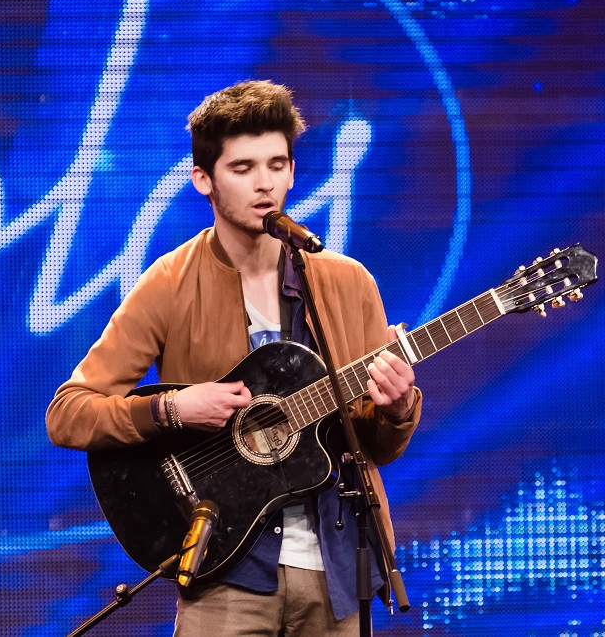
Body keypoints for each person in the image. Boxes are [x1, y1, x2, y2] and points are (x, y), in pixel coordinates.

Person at [46, 80, 422, 635]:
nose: (264, 183)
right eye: (243, 168)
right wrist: (172, 409)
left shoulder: (348, 282)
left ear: (292, 172)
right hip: (226, 570)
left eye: (277, 164)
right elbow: (68, 413)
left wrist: (397, 408)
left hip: (337, 571)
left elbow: (375, 445)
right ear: (204, 179)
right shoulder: (170, 282)